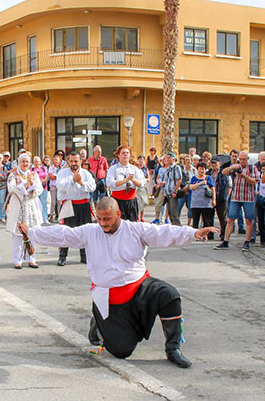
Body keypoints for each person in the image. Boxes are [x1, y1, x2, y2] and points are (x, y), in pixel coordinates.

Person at [18, 197, 217, 368]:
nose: (103, 223)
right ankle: (99, 319)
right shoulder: (90, 231)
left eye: (107, 219)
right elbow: (63, 234)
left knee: (169, 294)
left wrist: (193, 233)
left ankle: (173, 348)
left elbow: (164, 233)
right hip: (110, 298)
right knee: (122, 350)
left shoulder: (136, 229)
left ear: (118, 214)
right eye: (99, 218)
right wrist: (32, 232)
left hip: (139, 288)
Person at [56, 151, 96, 266]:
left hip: (83, 205)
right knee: (66, 231)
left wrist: (80, 182)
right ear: (68, 161)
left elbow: (92, 187)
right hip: (69, 204)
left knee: (85, 231)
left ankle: (84, 256)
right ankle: (62, 256)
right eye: (71, 161)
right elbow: (60, 186)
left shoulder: (86, 173)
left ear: (81, 161)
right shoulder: (62, 173)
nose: (73, 163)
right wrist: (72, 180)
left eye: (76, 161)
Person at [215, 151, 258, 251]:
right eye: (241, 159)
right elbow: (223, 172)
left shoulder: (252, 168)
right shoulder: (236, 167)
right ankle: (225, 241)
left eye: (244, 159)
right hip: (236, 196)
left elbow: (254, 182)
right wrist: (231, 168)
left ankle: (247, 242)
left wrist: (243, 176)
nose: (242, 161)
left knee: (248, 220)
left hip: (248, 197)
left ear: (247, 159)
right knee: (230, 219)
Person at [5, 153, 42, 269]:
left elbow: (39, 189)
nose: (25, 164)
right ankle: (17, 259)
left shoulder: (33, 175)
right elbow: (11, 188)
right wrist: (24, 186)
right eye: (23, 162)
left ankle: (32, 258)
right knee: (17, 234)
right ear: (19, 163)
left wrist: (32, 187)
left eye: (27, 162)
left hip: (30, 206)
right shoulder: (13, 176)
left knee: (32, 232)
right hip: (18, 205)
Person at [106, 146, 145, 222]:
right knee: (117, 224)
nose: (125, 155)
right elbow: (109, 183)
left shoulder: (134, 169)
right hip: (117, 200)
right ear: (118, 155)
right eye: (123, 153)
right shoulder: (113, 168)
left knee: (132, 224)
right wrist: (125, 180)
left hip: (131, 201)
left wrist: (133, 179)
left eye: (127, 153)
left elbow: (141, 184)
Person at [188, 162, 216, 238]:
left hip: (206, 204)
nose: (201, 171)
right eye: (200, 169)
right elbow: (191, 187)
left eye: (203, 169)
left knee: (206, 221)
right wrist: (200, 183)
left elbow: (213, 188)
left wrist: (214, 199)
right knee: (195, 221)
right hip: (195, 204)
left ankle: (206, 235)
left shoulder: (208, 178)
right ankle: (195, 235)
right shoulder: (194, 178)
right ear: (197, 169)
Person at [210, 157, 231, 241]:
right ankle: (210, 234)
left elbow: (229, 186)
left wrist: (226, 197)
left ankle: (223, 235)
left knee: (222, 218)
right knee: (209, 217)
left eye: (215, 163)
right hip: (210, 198)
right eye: (212, 163)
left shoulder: (224, 173)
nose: (213, 165)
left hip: (222, 198)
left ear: (219, 163)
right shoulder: (208, 173)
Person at [161, 153, 183, 226]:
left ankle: (178, 229)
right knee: (170, 213)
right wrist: (164, 193)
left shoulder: (176, 167)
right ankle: (174, 229)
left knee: (174, 214)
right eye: (166, 158)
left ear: (173, 159)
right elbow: (166, 182)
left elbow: (179, 180)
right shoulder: (168, 169)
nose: (167, 160)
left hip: (173, 194)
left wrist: (175, 191)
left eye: (169, 158)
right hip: (168, 194)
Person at [177, 154, 196, 226]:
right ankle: (177, 222)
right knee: (179, 205)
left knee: (190, 207)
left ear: (191, 161)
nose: (187, 161)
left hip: (191, 190)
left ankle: (188, 223)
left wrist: (189, 187)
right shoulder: (181, 170)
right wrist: (183, 188)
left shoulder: (194, 170)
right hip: (182, 190)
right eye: (186, 160)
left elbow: (195, 180)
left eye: (189, 160)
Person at [32, 156, 49, 222]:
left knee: (43, 203)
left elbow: (46, 178)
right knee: (36, 203)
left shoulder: (44, 168)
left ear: (40, 162)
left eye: (38, 161)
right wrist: (39, 182)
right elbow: (32, 178)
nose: (37, 163)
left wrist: (39, 181)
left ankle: (44, 218)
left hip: (44, 188)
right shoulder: (32, 169)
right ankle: (37, 218)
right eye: (35, 162)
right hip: (35, 189)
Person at [47, 154, 63, 222]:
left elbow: (62, 176)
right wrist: (57, 176)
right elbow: (51, 176)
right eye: (55, 160)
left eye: (57, 160)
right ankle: (51, 216)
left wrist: (56, 176)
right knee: (53, 202)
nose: (56, 161)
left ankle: (60, 216)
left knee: (59, 202)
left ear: (59, 161)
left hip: (59, 186)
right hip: (53, 186)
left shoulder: (61, 168)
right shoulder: (51, 167)